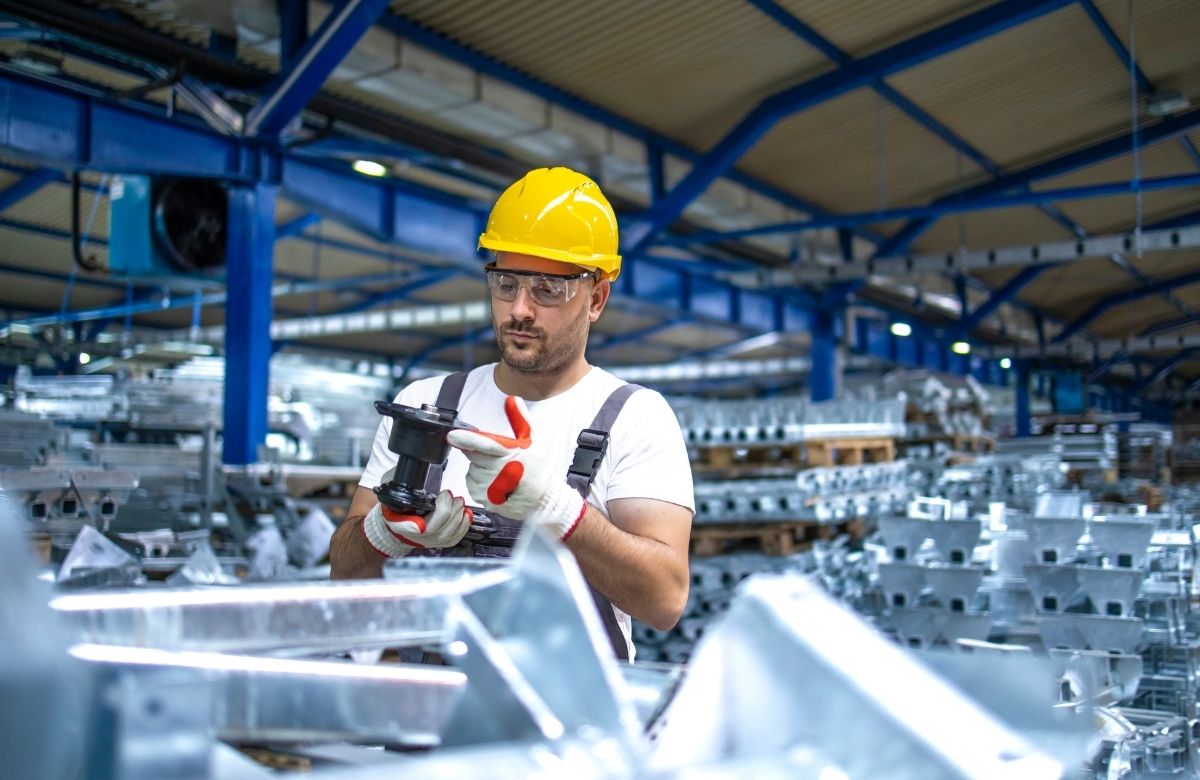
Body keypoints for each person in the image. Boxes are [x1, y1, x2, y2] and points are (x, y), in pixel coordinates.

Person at [330, 167, 695, 658]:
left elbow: (665, 600)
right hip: (427, 709)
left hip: (570, 723)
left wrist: (559, 511)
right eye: (506, 283)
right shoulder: (427, 404)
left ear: (597, 298)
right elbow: (345, 574)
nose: (519, 309)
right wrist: (384, 532)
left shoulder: (634, 417)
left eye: (548, 289)